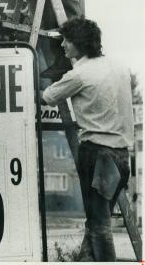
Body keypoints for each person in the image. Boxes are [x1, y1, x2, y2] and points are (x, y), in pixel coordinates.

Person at [41, 17, 134, 262]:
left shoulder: (79, 74)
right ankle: (85, 260)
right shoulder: (119, 67)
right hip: (122, 156)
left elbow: (49, 97)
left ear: (79, 43)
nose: (62, 45)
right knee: (95, 222)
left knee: (100, 225)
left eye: (67, 41)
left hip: (97, 155)